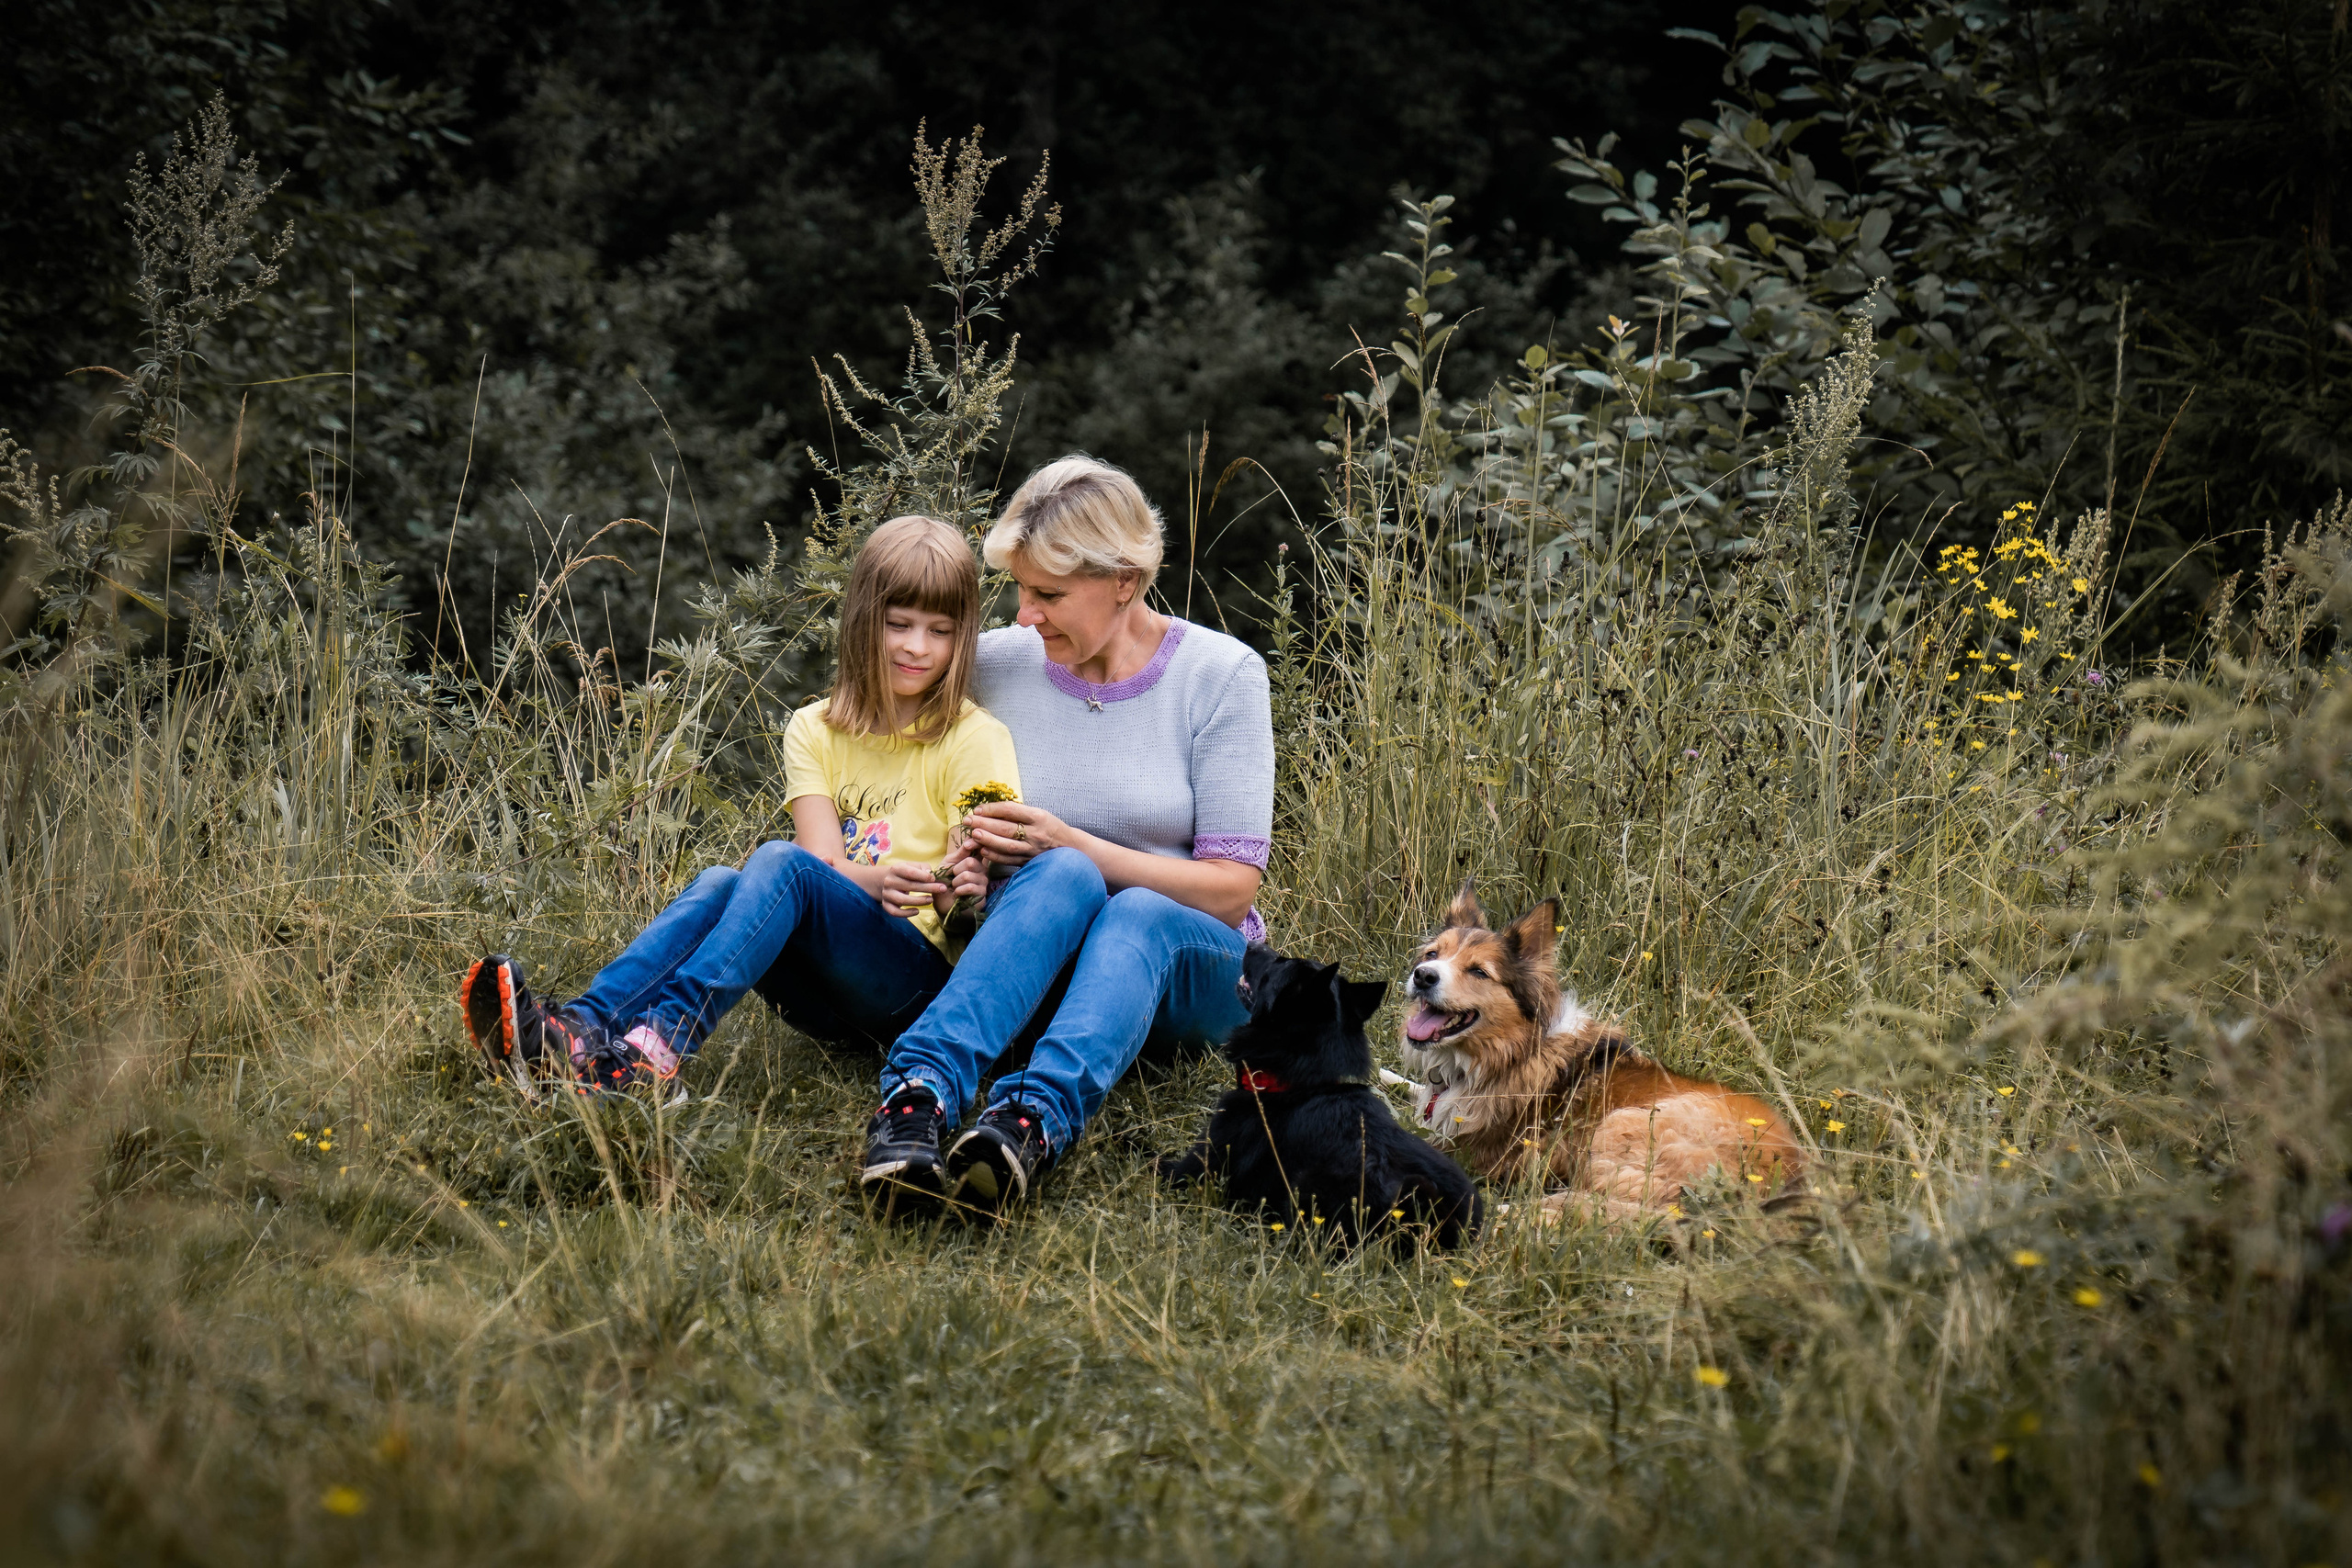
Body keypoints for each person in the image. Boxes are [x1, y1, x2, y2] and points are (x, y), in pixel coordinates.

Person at [460, 513, 1018, 1095]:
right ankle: (577, 1029)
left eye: (940, 631)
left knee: (775, 863)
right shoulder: (815, 729)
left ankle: (658, 1047)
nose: (916, 646)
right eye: (898, 624)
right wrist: (877, 881)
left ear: (964, 636)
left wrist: (957, 887)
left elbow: (980, 886)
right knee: (727, 881)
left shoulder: (976, 738)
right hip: (824, 989)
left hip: (918, 985)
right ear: (862, 620)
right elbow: (820, 864)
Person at [861, 455, 1274, 1223]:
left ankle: (1030, 1121)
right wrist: (961, 850)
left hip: (1195, 965)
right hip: (1041, 944)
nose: (1024, 613)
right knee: (1059, 879)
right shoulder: (993, 664)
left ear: (1124, 579)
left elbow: (1231, 889)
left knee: (1131, 907)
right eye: (1019, 589)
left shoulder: (1223, 676)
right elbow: (896, 764)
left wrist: (1068, 839)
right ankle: (916, 1098)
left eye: (1047, 594)